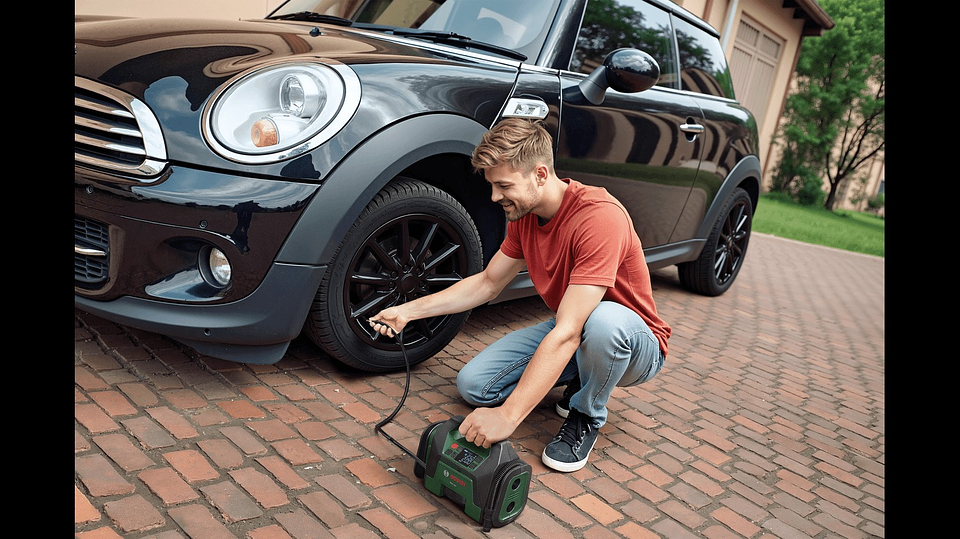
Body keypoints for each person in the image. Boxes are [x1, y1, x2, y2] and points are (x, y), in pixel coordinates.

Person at [370, 118, 670, 472]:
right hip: (572, 326)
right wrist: (409, 311)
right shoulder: (524, 215)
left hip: (634, 343)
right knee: (474, 386)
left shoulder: (599, 218)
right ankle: (579, 374)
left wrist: (509, 417)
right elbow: (487, 283)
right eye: (493, 185)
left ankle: (586, 414)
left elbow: (570, 330)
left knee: (602, 322)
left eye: (503, 185)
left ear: (540, 175)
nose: (495, 196)